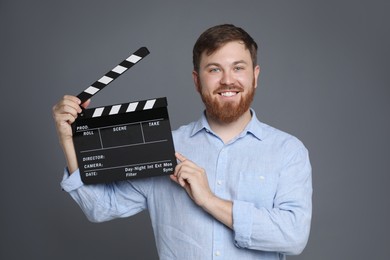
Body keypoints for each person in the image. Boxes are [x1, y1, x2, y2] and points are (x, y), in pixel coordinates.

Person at [52, 24, 312, 259]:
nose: (227, 80)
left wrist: (209, 200)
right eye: (214, 69)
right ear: (197, 80)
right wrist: (69, 140)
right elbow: (101, 208)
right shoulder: (165, 148)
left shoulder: (287, 151)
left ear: (255, 75)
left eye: (238, 68)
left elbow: (293, 236)